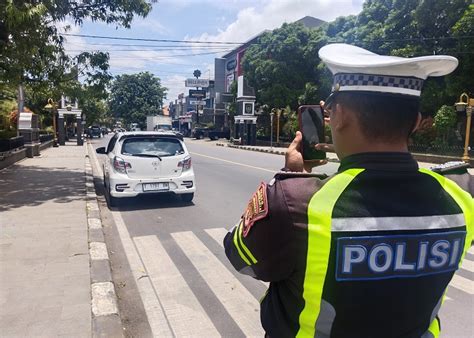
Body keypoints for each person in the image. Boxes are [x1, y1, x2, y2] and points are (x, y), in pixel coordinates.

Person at [223, 43, 473, 338]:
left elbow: (240, 255)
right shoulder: (462, 193)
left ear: (338, 116)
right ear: (416, 123)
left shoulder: (296, 201)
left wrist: (293, 174)